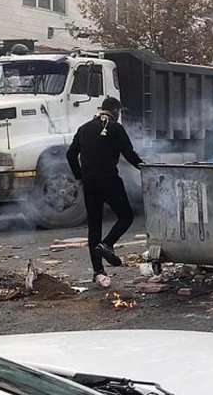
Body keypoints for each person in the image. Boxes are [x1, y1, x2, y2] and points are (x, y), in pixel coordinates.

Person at [66, 97, 143, 288]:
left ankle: (98, 271)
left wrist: (79, 176)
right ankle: (107, 244)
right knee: (126, 216)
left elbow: (70, 154)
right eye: (119, 112)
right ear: (115, 110)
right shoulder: (116, 128)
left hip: (89, 183)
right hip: (109, 181)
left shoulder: (84, 128)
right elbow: (129, 154)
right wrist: (145, 168)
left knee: (94, 225)